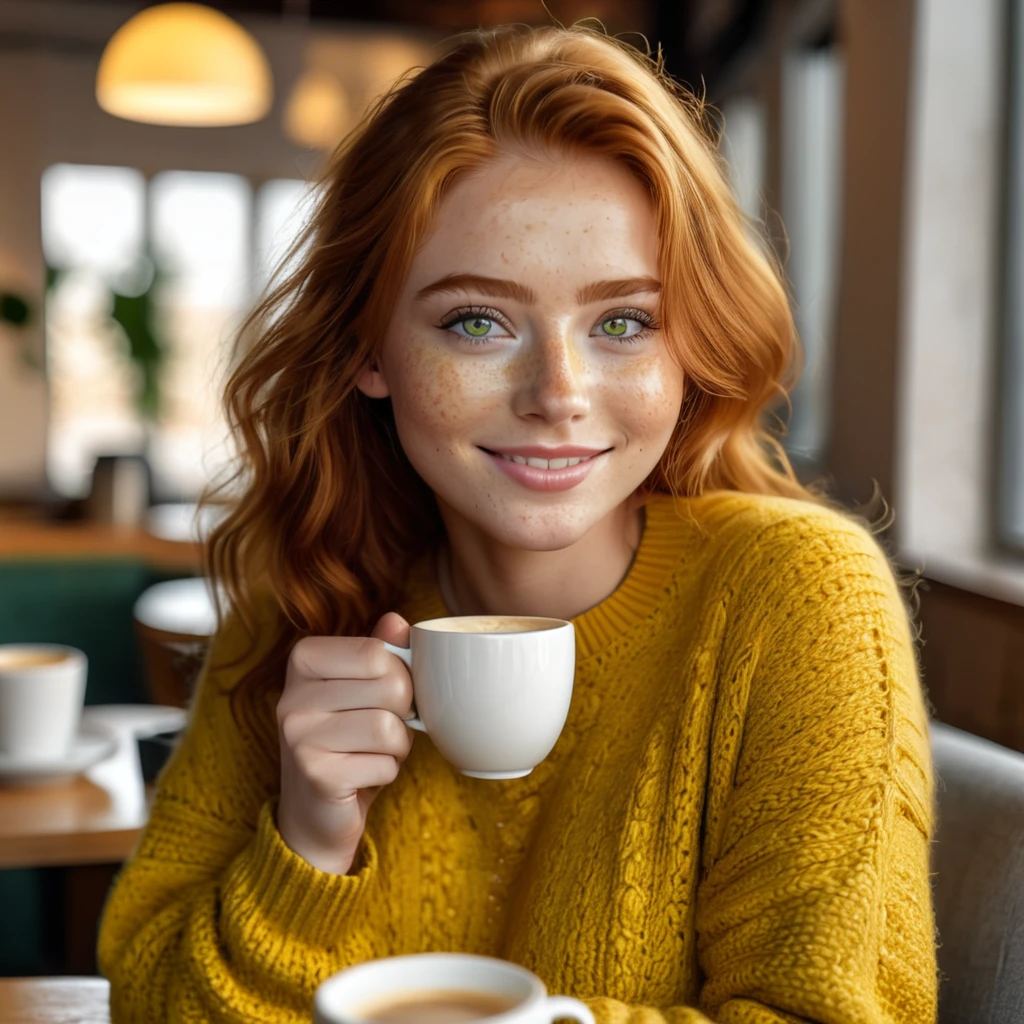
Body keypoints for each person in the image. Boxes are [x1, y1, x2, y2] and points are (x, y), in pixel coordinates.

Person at [97, 23, 937, 1024]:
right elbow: (147, 1001)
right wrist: (306, 841)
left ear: (689, 346)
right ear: (368, 348)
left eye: (622, 321)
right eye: (477, 322)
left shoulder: (796, 601)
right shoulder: (309, 605)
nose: (559, 394)